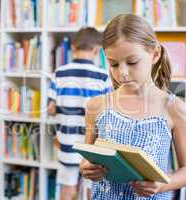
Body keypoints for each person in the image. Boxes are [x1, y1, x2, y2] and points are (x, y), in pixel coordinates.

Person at [80, 14, 186, 199]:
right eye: (114, 64)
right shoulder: (96, 105)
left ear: (155, 54)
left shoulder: (174, 107)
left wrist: (163, 185)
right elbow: (87, 157)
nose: (123, 73)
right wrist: (86, 168)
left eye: (132, 62)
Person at [48, 27, 112, 200]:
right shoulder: (103, 76)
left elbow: (51, 109)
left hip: (67, 143)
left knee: (68, 190)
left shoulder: (59, 73)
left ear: (73, 48)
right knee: (93, 191)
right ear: (98, 50)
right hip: (93, 147)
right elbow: (108, 112)